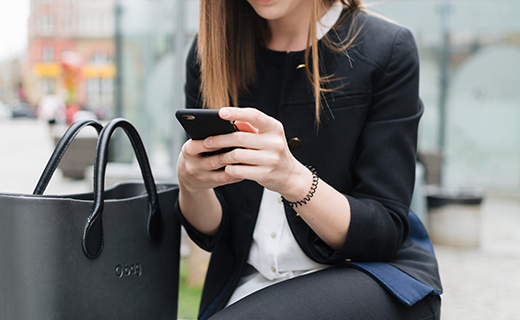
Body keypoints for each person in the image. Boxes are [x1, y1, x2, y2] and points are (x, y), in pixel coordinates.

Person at [176, 0, 442, 319]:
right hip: (251, 286)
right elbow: (214, 234)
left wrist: (293, 180)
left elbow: (382, 232)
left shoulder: (385, 48)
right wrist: (192, 185)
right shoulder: (212, 53)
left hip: (369, 277)